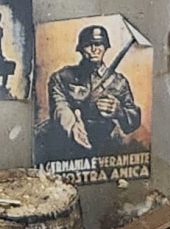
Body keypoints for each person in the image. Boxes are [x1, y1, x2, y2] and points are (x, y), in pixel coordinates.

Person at [45, 25, 140, 157]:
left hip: (105, 148)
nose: (94, 49)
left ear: (105, 47)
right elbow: (59, 106)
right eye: (89, 45)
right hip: (67, 146)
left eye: (99, 44)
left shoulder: (119, 82)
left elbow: (133, 121)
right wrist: (72, 126)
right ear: (80, 49)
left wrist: (119, 111)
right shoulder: (62, 77)